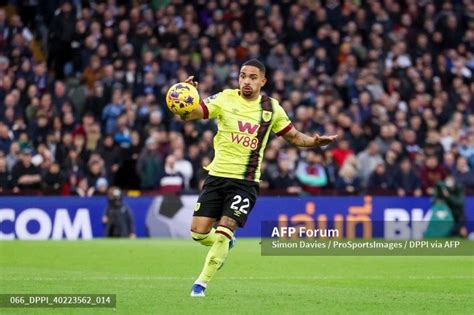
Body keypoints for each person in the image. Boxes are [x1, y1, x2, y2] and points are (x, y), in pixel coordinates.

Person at [179, 59, 338, 297]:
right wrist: (187, 95)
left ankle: (200, 284)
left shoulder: (272, 108)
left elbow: (294, 137)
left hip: (245, 183)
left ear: (263, 81)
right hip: (216, 176)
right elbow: (189, 115)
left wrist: (314, 142)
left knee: (224, 231)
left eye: (253, 77)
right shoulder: (224, 98)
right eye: (243, 75)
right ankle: (225, 244)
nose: (246, 81)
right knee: (199, 233)